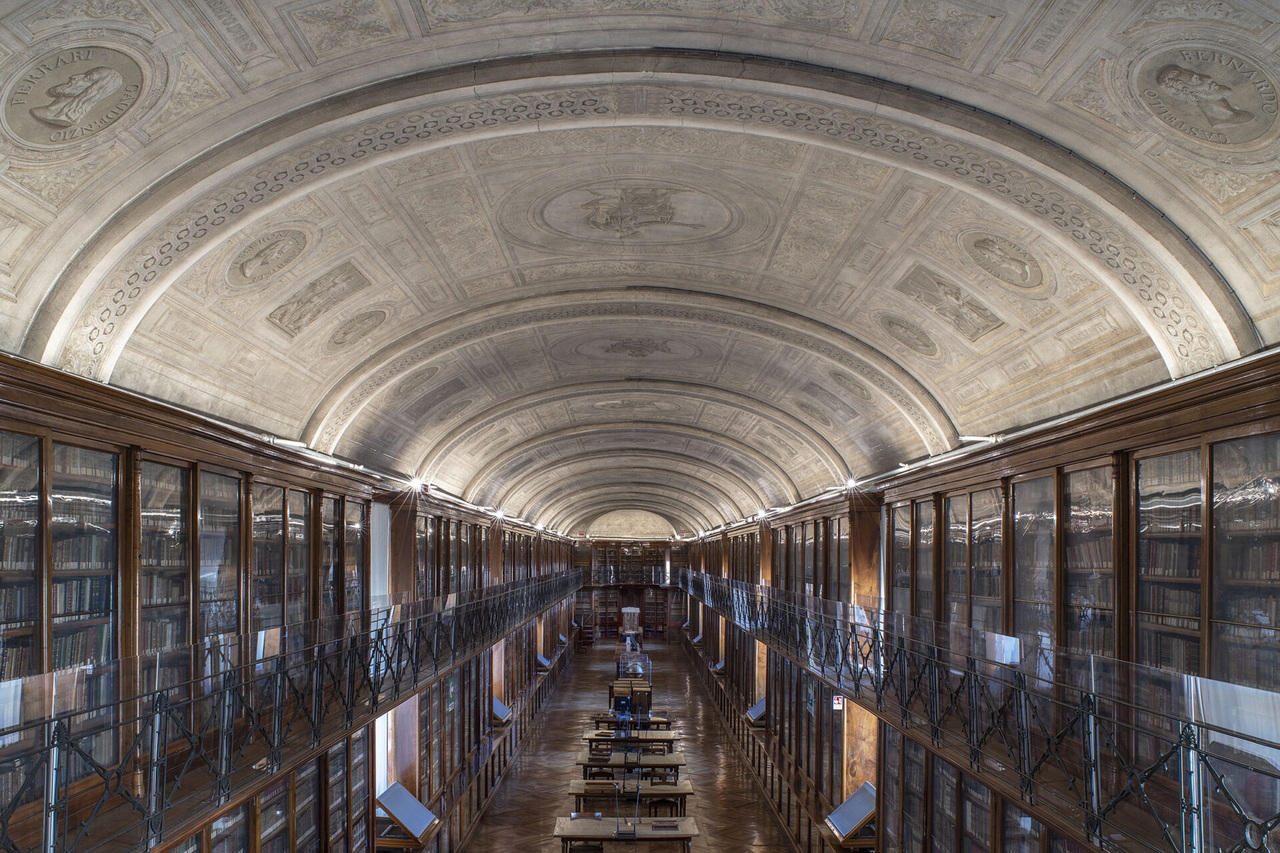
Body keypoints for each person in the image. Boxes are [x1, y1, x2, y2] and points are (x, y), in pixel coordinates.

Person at [1156, 64, 1254, 128]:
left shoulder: (1241, 114)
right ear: (1189, 92)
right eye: (1196, 80)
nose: (1208, 78)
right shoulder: (1220, 122)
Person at [30, 66, 124, 127]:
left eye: (87, 77)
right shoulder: (42, 110)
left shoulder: (64, 119)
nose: (74, 76)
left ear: (92, 91)